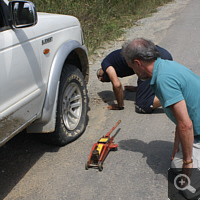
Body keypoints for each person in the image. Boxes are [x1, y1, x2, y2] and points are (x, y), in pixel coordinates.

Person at [121, 38, 200, 174]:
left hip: (196, 132)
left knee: (187, 186)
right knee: (177, 160)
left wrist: (188, 163)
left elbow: (185, 125)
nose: (134, 72)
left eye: (132, 67)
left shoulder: (164, 79)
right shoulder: (166, 66)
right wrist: (178, 144)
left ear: (137, 63)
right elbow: (180, 116)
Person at [97, 46, 172, 113]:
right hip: (162, 54)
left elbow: (116, 85)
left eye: (99, 75)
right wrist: (139, 88)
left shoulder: (105, 63)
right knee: (143, 79)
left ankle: (175, 95)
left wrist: (119, 105)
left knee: (143, 105)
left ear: (101, 68)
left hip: (154, 60)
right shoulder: (118, 63)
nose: (100, 78)